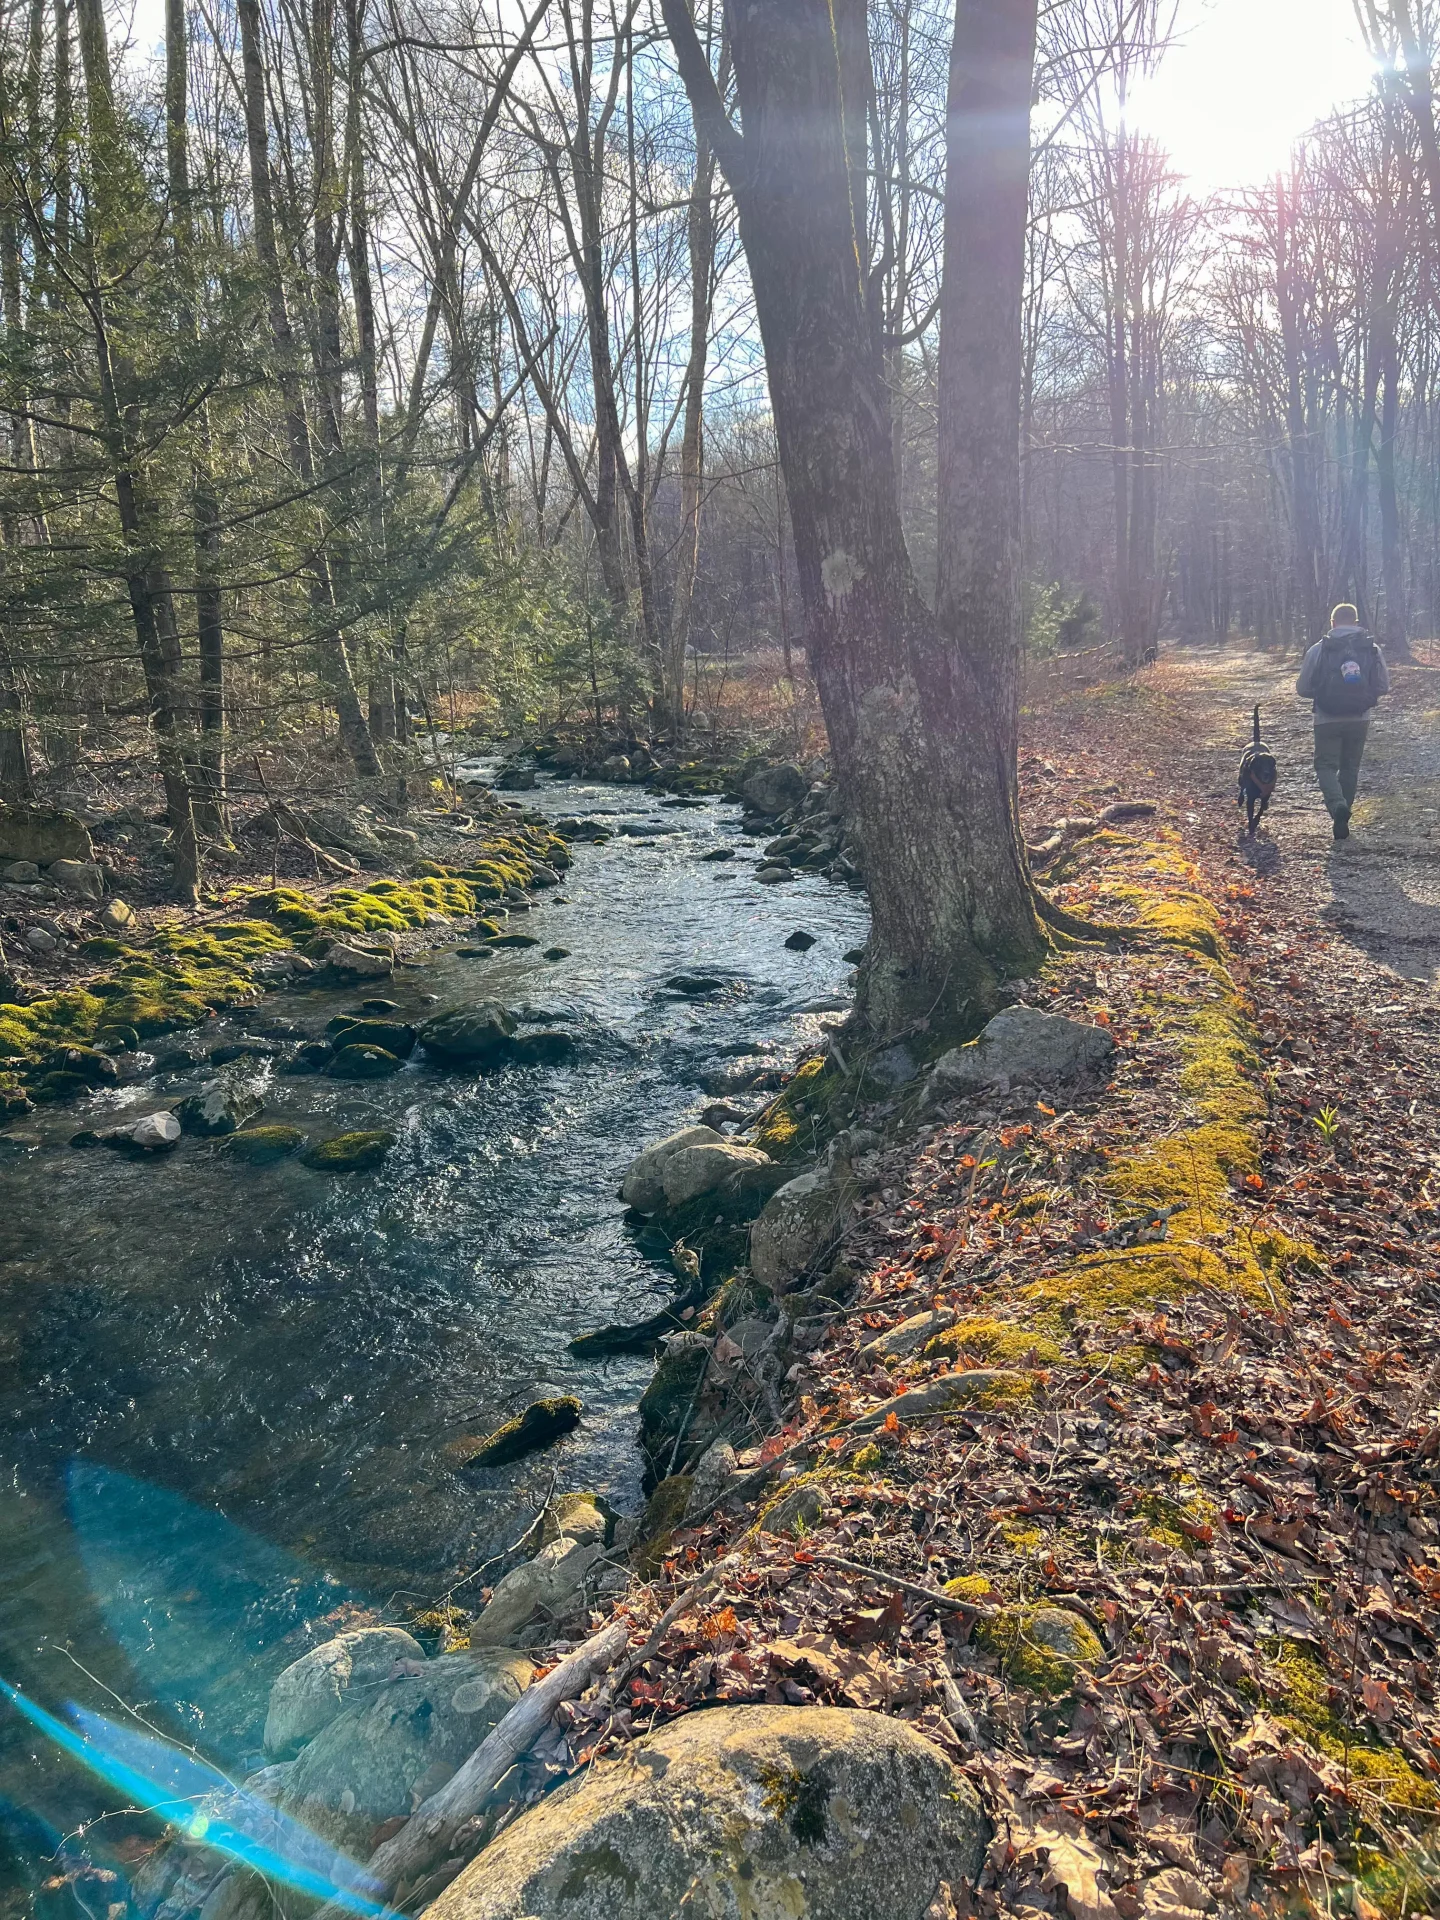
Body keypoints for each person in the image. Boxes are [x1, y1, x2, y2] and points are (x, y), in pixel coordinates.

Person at [1295, 603, 1390, 842]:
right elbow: (1383, 686)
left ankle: (1337, 806)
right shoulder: (1371, 648)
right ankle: (1343, 811)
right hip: (1359, 718)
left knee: (1325, 766)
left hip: (1326, 718)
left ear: (1333, 623)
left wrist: (1322, 695)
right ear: (1356, 622)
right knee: (1350, 768)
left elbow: (1302, 688)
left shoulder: (1319, 649)